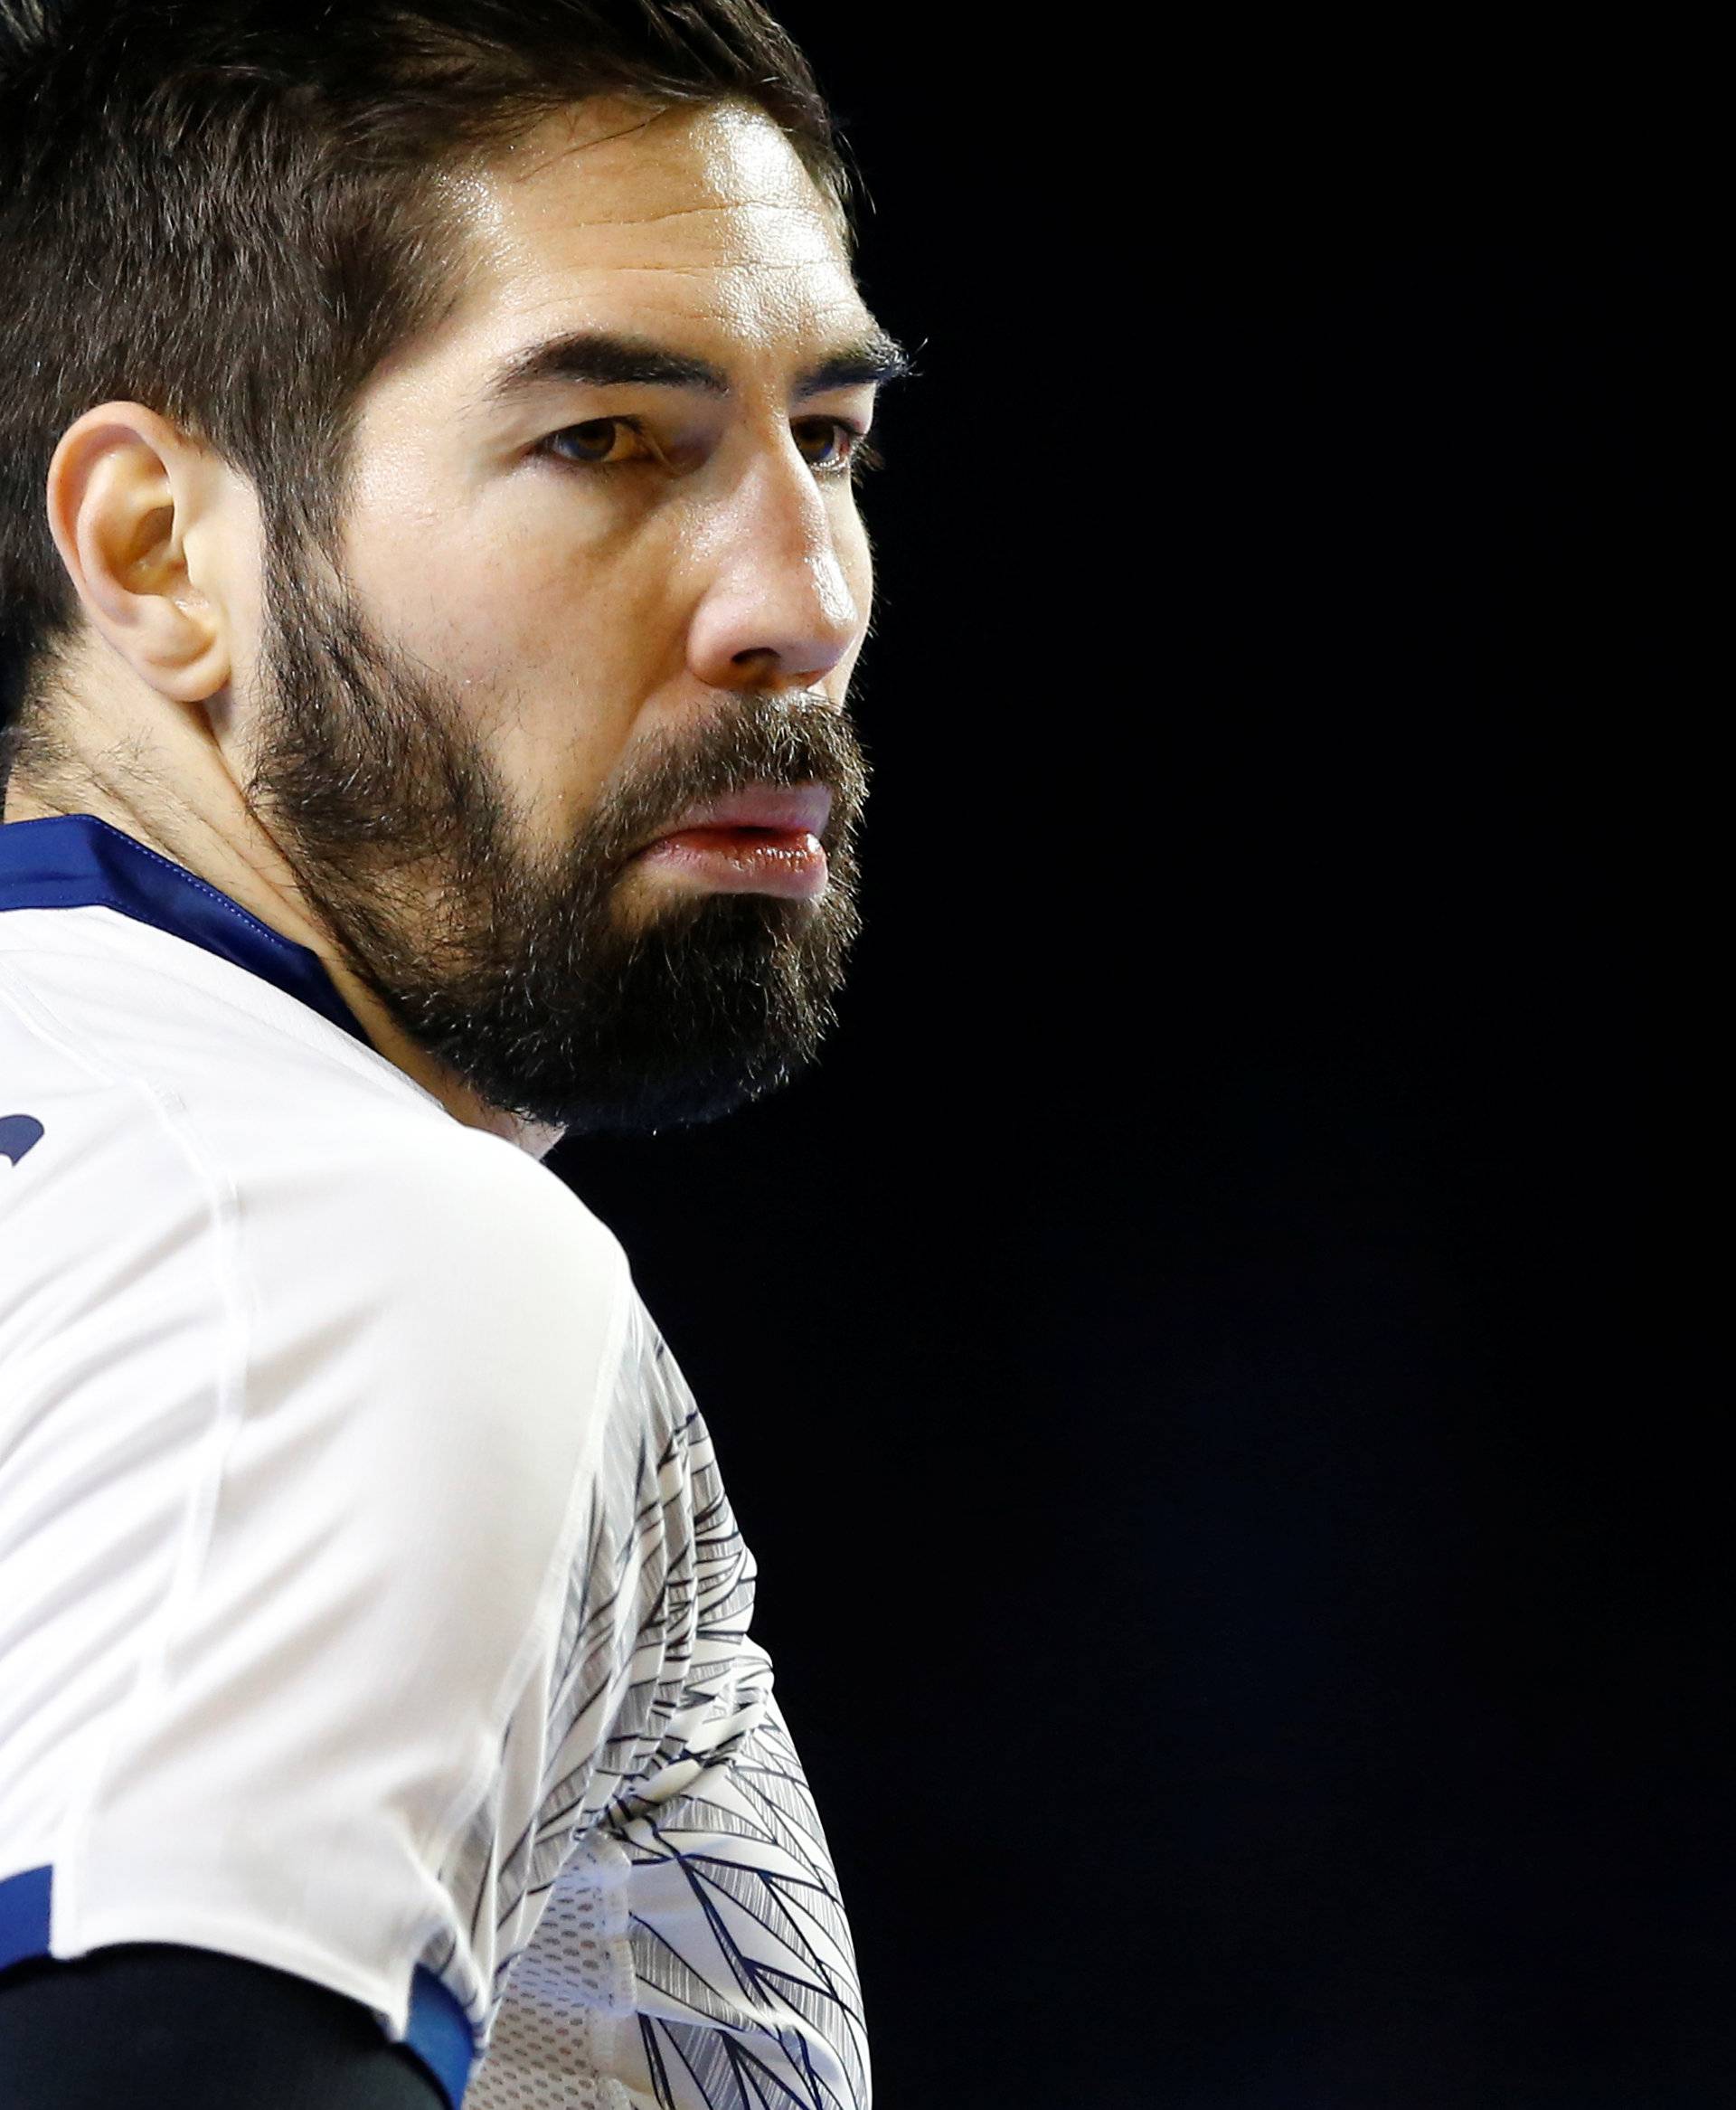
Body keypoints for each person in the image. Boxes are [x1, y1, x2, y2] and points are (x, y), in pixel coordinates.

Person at [0, 4, 913, 2104]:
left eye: (831, 441)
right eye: (605, 440)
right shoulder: (330, 1236)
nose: (805, 595)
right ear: (157, 549)